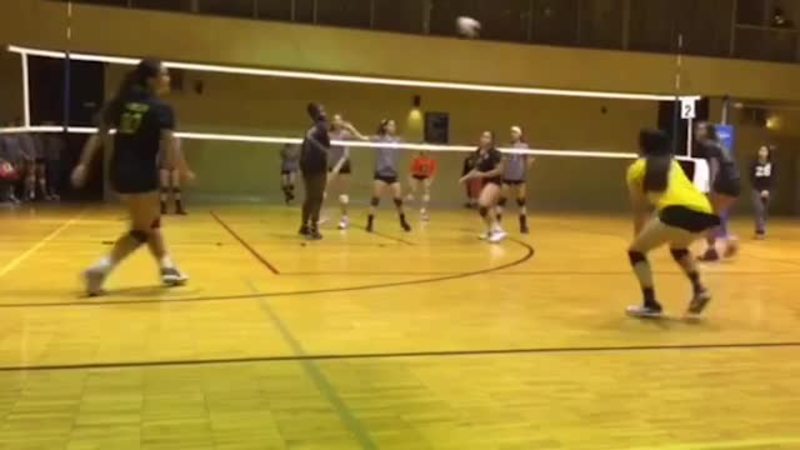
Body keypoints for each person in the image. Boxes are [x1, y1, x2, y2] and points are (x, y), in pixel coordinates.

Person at [72, 58, 193, 296]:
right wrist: (181, 169)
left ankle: (167, 267)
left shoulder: (120, 102)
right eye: (165, 74)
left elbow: (98, 135)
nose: (168, 79)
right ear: (151, 80)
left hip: (118, 172)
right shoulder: (161, 109)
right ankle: (100, 269)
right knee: (142, 230)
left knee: (149, 222)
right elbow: (171, 143)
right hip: (143, 174)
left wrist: (83, 164)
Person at [625, 129, 720, 319]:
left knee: (635, 252)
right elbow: (673, 198)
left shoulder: (636, 169)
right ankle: (700, 289)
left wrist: (638, 239)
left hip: (676, 214)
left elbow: (639, 209)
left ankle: (651, 304)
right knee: (678, 248)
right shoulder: (673, 164)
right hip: (705, 214)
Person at [694, 122, 742, 262]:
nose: (697, 131)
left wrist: (712, 187)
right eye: (697, 129)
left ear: (708, 132)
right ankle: (715, 248)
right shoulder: (718, 144)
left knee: (711, 216)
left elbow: (715, 167)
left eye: (701, 129)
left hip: (725, 182)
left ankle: (728, 242)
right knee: (714, 215)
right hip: (734, 182)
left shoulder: (709, 146)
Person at [460, 131, 507, 244]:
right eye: (483, 136)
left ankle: (498, 230)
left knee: (483, 203)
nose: (484, 138)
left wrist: (482, 175)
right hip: (485, 183)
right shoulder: (479, 154)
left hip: (495, 182)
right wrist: (464, 178)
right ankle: (490, 231)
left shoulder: (496, 153)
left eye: (487, 137)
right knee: (483, 210)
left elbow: (499, 170)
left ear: (492, 140)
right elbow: (476, 170)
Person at [366, 119, 412, 233]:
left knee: (398, 200)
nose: (393, 127)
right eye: (391, 125)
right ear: (385, 127)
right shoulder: (378, 139)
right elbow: (363, 138)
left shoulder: (398, 140)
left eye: (394, 125)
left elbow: (410, 142)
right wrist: (351, 128)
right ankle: (370, 223)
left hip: (393, 175)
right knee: (375, 199)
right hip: (380, 174)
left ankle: (403, 222)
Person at [327, 114, 367, 230]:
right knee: (322, 189)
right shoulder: (328, 134)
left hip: (344, 164)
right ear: (332, 122)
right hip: (331, 164)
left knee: (342, 193)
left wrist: (351, 128)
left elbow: (361, 138)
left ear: (342, 122)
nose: (337, 122)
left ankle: (344, 218)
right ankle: (315, 217)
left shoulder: (345, 134)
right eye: (335, 120)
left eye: (339, 120)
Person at [299, 102, 330, 240]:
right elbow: (327, 147)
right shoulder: (322, 127)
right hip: (317, 166)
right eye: (322, 109)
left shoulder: (310, 129)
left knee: (310, 197)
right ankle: (314, 228)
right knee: (317, 197)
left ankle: (304, 226)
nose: (324, 112)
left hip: (306, 166)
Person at [496, 126, 534, 234]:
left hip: (519, 177)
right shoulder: (506, 146)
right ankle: (497, 224)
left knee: (521, 201)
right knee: (501, 200)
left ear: (519, 134)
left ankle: (523, 225)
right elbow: (502, 160)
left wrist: (529, 163)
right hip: (507, 176)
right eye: (511, 132)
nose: (513, 134)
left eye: (515, 132)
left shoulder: (524, 146)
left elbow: (528, 160)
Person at [750, 145, 775, 239]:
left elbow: (773, 178)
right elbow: (751, 177)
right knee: (759, 209)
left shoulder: (772, 164)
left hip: (768, 190)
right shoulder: (754, 164)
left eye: (765, 150)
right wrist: (760, 190)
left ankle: (762, 228)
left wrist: (767, 189)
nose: (762, 152)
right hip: (756, 189)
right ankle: (759, 231)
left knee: (764, 211)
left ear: (768, 153)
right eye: (761, 150)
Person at [159, 137, 188, 215]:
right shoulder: (163, 145)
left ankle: (178, 208)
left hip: (173, 167)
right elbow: (160, 157)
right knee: (165, 187)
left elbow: (181, 159)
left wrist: (185, 169)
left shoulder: (177, 149)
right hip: (165, 167)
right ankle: (163, 207)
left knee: (176, 187)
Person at [407, 150, 438, 221]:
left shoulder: (431, 160)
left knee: (426, 191)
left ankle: (423, 211)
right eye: (423, 151)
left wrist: (430, 180)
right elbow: (411, 171)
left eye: (426, 151)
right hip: (415, 175)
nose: (425, 153)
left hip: (425, 176)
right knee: (412, 191)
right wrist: (410, 179)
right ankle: (405, 206)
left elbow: (433, 172)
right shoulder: (416, 159)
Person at [40, 123, 65, 201]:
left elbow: (62, 147)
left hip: (56, 159)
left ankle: (53, 192)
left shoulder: (59, 139)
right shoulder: (46, 138)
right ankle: (48, 193)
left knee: (55, 176)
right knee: (49, 176)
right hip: (49, 159)